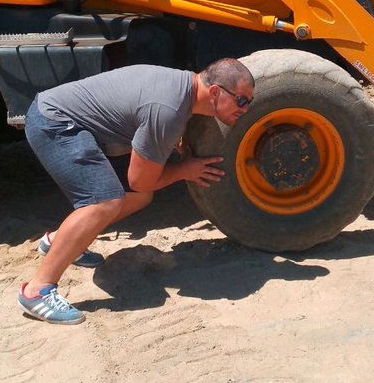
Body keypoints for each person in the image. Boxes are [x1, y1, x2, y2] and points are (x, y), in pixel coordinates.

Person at [18, 58, 256, 325]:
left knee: (139, 197)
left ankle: (59, 242)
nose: (245, 109)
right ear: (215, 92)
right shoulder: (169, 109)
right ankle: (38, 290)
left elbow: (141, 184)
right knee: (104, 202)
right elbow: (141, 179)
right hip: (54, 123)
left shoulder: (182, 90)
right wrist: (184, 170)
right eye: (242, 101)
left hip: (75, 123)